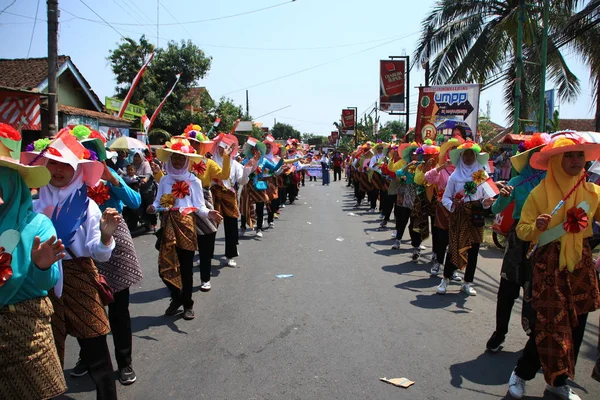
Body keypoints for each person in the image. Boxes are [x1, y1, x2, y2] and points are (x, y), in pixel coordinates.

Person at [23, 129, 121, 399]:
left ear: (77, 168)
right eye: (53, 162)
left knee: (96, 350)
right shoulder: (31, 205)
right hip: (40, 280)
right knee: (44, 354)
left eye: (66, 164)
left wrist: (105, 236)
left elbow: (99, 255)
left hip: (79, 277)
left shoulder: (88, 205)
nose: (58, 170)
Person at [507, 132, 600, 400]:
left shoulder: (593, 193)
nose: (575, 160)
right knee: (548, 325)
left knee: (576, 324)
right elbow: (523, 230)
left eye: (579, 155)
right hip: (548, 265)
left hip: (580, 264)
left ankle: (558, 382)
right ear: (556, 160)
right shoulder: (538, 194)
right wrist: (536, 227)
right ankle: (521, 373)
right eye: (568, 155)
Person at [0, 124, 67, 400]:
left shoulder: (38, 223)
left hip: (27, 332)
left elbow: (46, 282)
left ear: (13, 181)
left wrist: (41, 265)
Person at [71, 137, 144, 385]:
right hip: (81, 245)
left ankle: (124, 363)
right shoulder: (72, 177)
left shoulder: (110, 174)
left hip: (113, 244)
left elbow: (135, 202)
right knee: (86, 307)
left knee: (118, 309)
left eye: (92, 157)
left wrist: (114, 180)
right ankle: (88, 357)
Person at [486, 134, 549, 354]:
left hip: (546, 241)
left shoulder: (555, 181)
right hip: (519, 239)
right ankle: (499, 332)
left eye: (545, 154)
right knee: (507, 288)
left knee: (539, 291)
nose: (541, 158)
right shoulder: (517, 181)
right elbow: (494, 210)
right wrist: (503, 197)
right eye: (536, 154)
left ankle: (534, 339)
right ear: (530, 157)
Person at [148, 137, 221, 320]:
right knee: (165, 265)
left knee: (186, 267)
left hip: (186, 226)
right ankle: (176, 297)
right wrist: (152, 207)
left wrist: (209, 213)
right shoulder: (165, 180)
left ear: (187, 160)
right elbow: (159, 202)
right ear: (170, 159)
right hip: (168, 225)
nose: (178, 161)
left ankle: (187, 303)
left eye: (182, 158)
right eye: (175, 157)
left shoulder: (194, 181)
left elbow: (199, 207)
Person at [437, 140, 495, 296]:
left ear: (476, 156)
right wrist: (454, 206)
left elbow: (485, 198)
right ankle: (446, 279)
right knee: (455, 247)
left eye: (471, 154)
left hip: (476, 216)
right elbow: (446, 198)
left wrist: (486, 203)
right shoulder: (454, 177)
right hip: (459, 216)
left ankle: (467, 283)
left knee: (474, 250)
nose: (469, 157)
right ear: (461, 157)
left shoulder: (482, 175)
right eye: (466, 154)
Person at [425, 137, 464, 278]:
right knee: (441, 237)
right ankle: (438, 262)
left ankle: (452, 269)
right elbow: (428, 178)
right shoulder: (442, 169)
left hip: (460, 208)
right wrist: (442, 166)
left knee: (456, 239)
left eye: (457, 152)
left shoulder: (464, 169)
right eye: (451, 151)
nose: (454, 155)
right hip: (443, 207)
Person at [211, 133, 247, 268]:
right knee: (210, 226)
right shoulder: (210, 162)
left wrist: (248, 169)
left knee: (231, 224)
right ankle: (206, 254)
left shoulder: (236, 164)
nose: (223, 150)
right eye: (220, 147)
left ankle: (230, 254)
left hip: (230, 194)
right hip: (214, 194)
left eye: (226, 148)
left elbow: (242, 180)